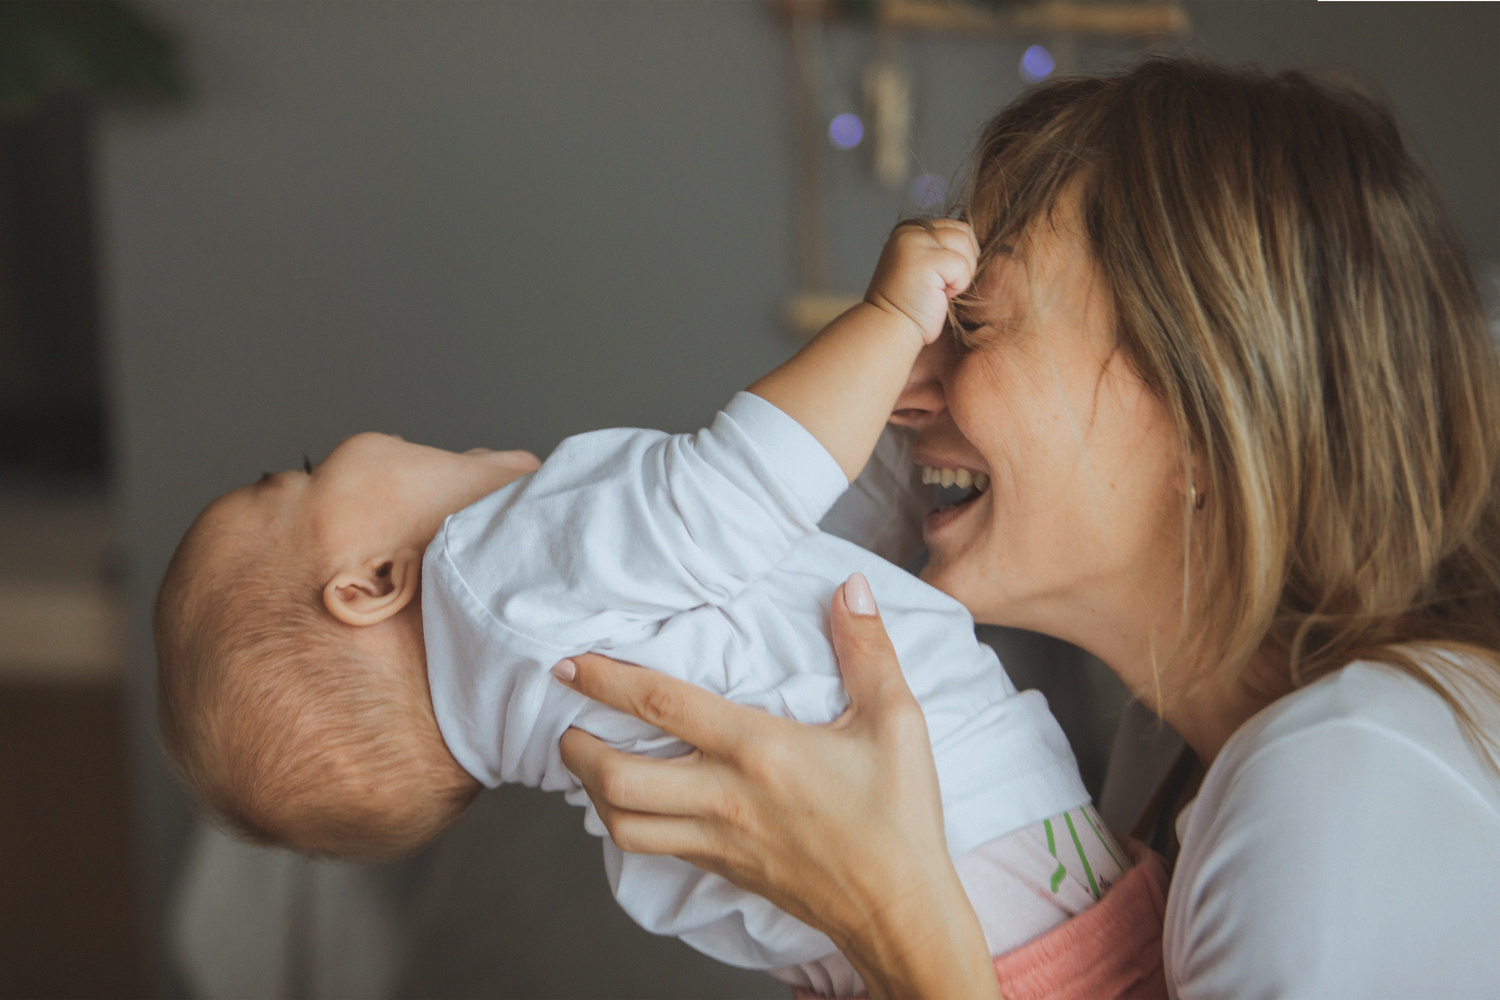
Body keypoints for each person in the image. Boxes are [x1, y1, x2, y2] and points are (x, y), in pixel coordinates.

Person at [553, 57, 1500, 999]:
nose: (901, 393)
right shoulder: (1165, 752)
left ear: (1211, 413)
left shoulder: (1340, 786)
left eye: (974, 324)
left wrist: (893, 912)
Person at [154, 219, 1133, 996]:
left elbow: (799, 559)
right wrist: (884, 320)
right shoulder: (491, 572)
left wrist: (882, 414)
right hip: (986, 865)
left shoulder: (556, 718)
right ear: (370, 583)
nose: (337, 445)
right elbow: (731, 491)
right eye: (305, 474)